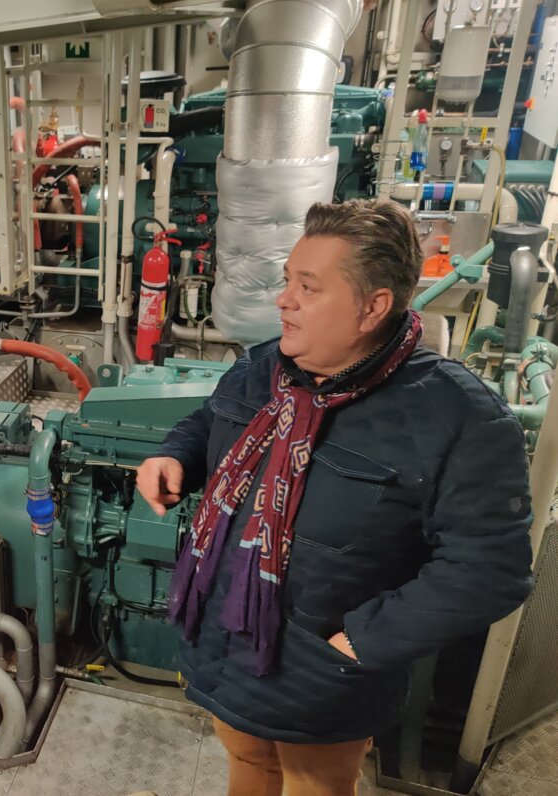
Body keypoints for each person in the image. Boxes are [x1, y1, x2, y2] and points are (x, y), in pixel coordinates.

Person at [136, 200, 532, 796]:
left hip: (320, 676)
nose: (283, 300)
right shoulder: (265, 366)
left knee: (313, 784)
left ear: (372, 307)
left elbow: (490, 569)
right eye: (289, 280)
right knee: (245, 763)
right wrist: (177, 454)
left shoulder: (460, 419)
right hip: (224, 640)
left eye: (308, 287)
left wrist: (361, 642)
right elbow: (211, 420)